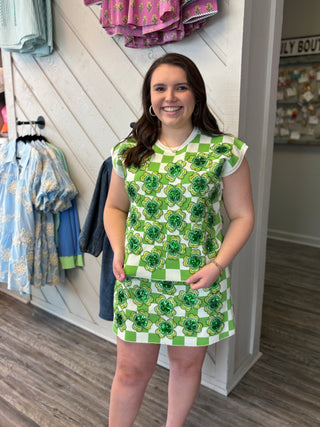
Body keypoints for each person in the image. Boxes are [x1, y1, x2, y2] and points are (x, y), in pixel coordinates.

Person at [104, 52, 255, 427]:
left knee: (186, 368)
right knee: (129, 372)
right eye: (160, 88)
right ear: (149, 98)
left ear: (196, 95)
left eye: (180, 87)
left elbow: (242, 216)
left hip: (198, 283)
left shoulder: (225, 150)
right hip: (138, 282)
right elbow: (114, 208)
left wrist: (218, 265)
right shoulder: (128, 151)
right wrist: (119, 250)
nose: (170, 97)